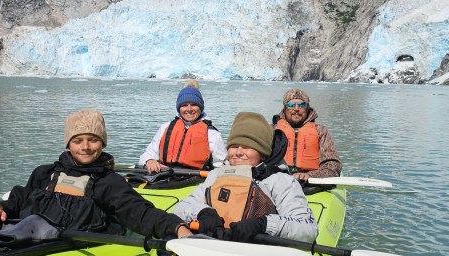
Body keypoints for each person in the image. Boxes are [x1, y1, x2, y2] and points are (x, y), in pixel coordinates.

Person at [0, 109, 192, 240]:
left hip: (68, 250)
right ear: (68, 144)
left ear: (103, 142)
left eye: (93, 139)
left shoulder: (109, 183)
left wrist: (177, 227)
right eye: (78, 140)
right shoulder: (44, 173)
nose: (86, 147)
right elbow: (18, 198)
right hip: (24, 240)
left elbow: (140, 213)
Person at [173, 111, 318, 243]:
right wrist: (202, 212)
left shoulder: (280, 181)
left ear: (262, 153)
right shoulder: (216, 175)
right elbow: (181, 207)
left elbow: (308, 229)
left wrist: (264, 224)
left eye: (247, 147)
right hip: (216, 245)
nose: (239, 152)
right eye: (234, 146)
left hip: (260, 251)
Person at [139, 80, 226, 173]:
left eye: (193, 105)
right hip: (165, 175)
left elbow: (221, 165)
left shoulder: (212, 133)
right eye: (184, 105)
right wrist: (149, 160)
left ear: (200, 107)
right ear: (179, 108)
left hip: (196, 178)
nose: (189, 109)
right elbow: (148, 154)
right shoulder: (165, 127)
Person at [272, 88, 342, 182]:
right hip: (278, 181)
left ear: (307, 108)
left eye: (301, 105)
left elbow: (333, 166)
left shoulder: (321, 131)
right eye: (291, 105)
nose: (296, 109)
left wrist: (310, 175)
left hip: (311, 182)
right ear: (285, 109)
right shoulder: (272, 130)